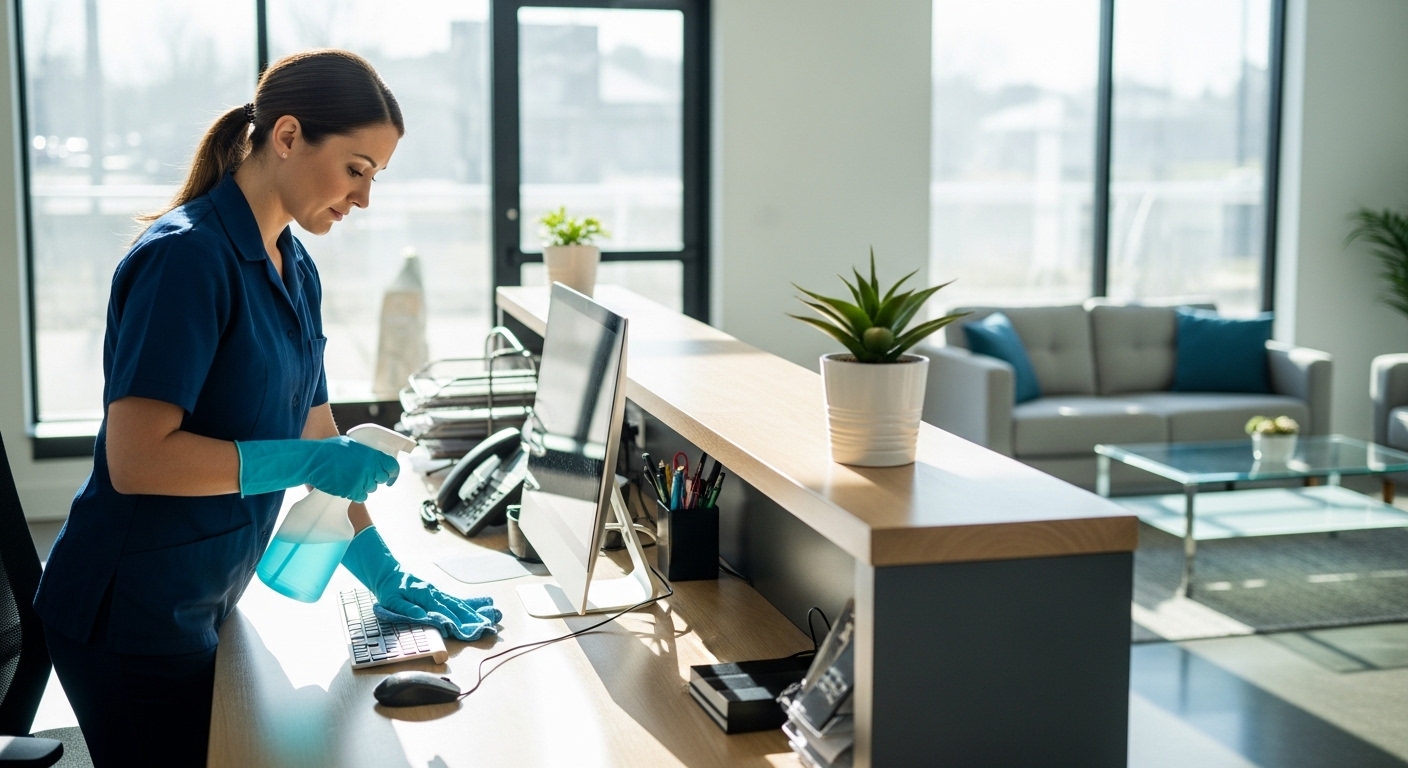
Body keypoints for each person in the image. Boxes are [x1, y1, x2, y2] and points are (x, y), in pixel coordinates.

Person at [32, 50, 489, 768]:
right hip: (132, 617)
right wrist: (307, 459)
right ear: (286, 136)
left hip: (206, 599)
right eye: (356, 168)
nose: (365, 198)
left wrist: (386, 575)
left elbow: (316, 434)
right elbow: (138, 459)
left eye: (376, 177)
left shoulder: (292, 263)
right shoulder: (185, 260)